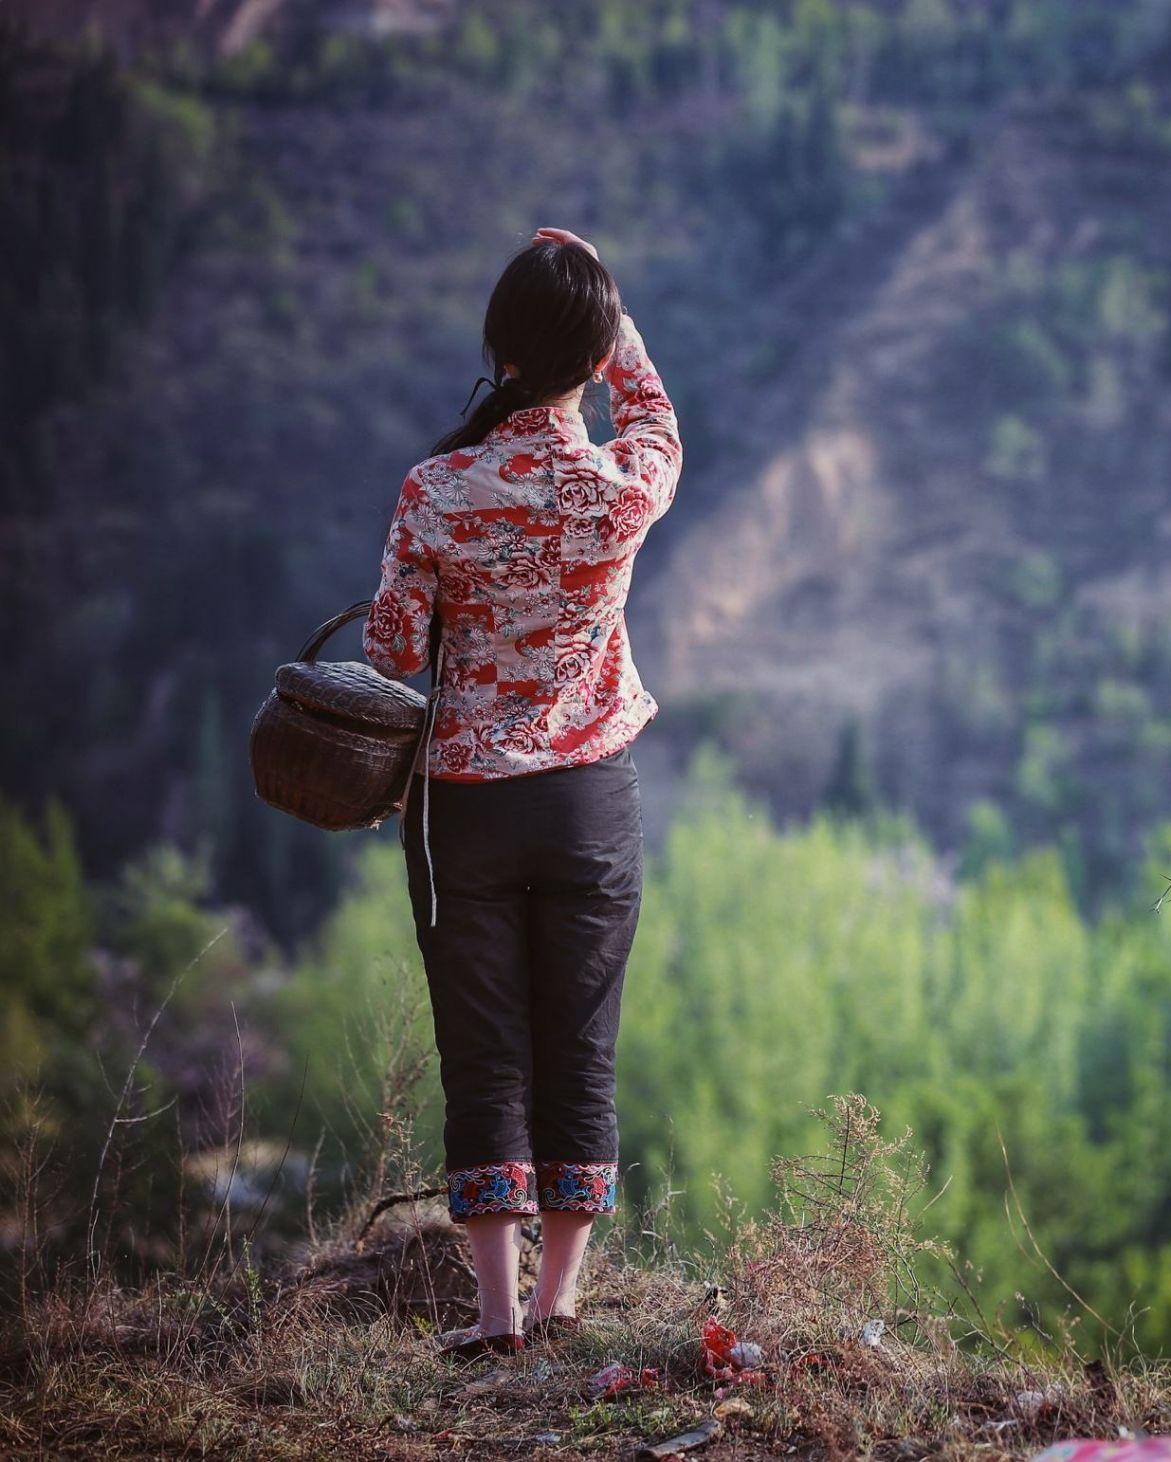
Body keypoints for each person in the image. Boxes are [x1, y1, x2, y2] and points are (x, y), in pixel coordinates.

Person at [363, 226, 683, 1359]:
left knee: (485, 1049)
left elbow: (394, 647)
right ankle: (561, 1303)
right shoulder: (618, 487)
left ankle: (495, 1317)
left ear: (498, 343)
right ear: (589, 357)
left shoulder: (436, 487)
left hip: (469, 810)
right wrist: (617, 326)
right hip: (590, 799)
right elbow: (657, 425)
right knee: (579, 1044)